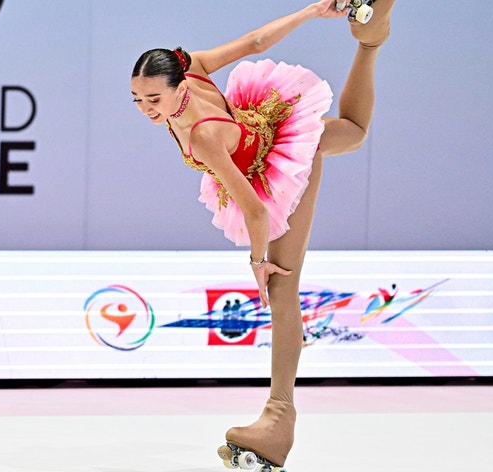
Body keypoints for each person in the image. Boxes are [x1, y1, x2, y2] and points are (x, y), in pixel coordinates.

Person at [130, 0, 394, 467]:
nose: (147, 110)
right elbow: (255, 42)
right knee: (351, 132)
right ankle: (372, 37)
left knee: (281, 283)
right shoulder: (188, 69)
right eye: (138, 100)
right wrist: (311, 11)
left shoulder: (203, 136)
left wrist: (257, 262)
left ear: (176, 84)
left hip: (274, 169)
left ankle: (278, 419)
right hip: (264, 128)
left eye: (154, 99)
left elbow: (255, 211)